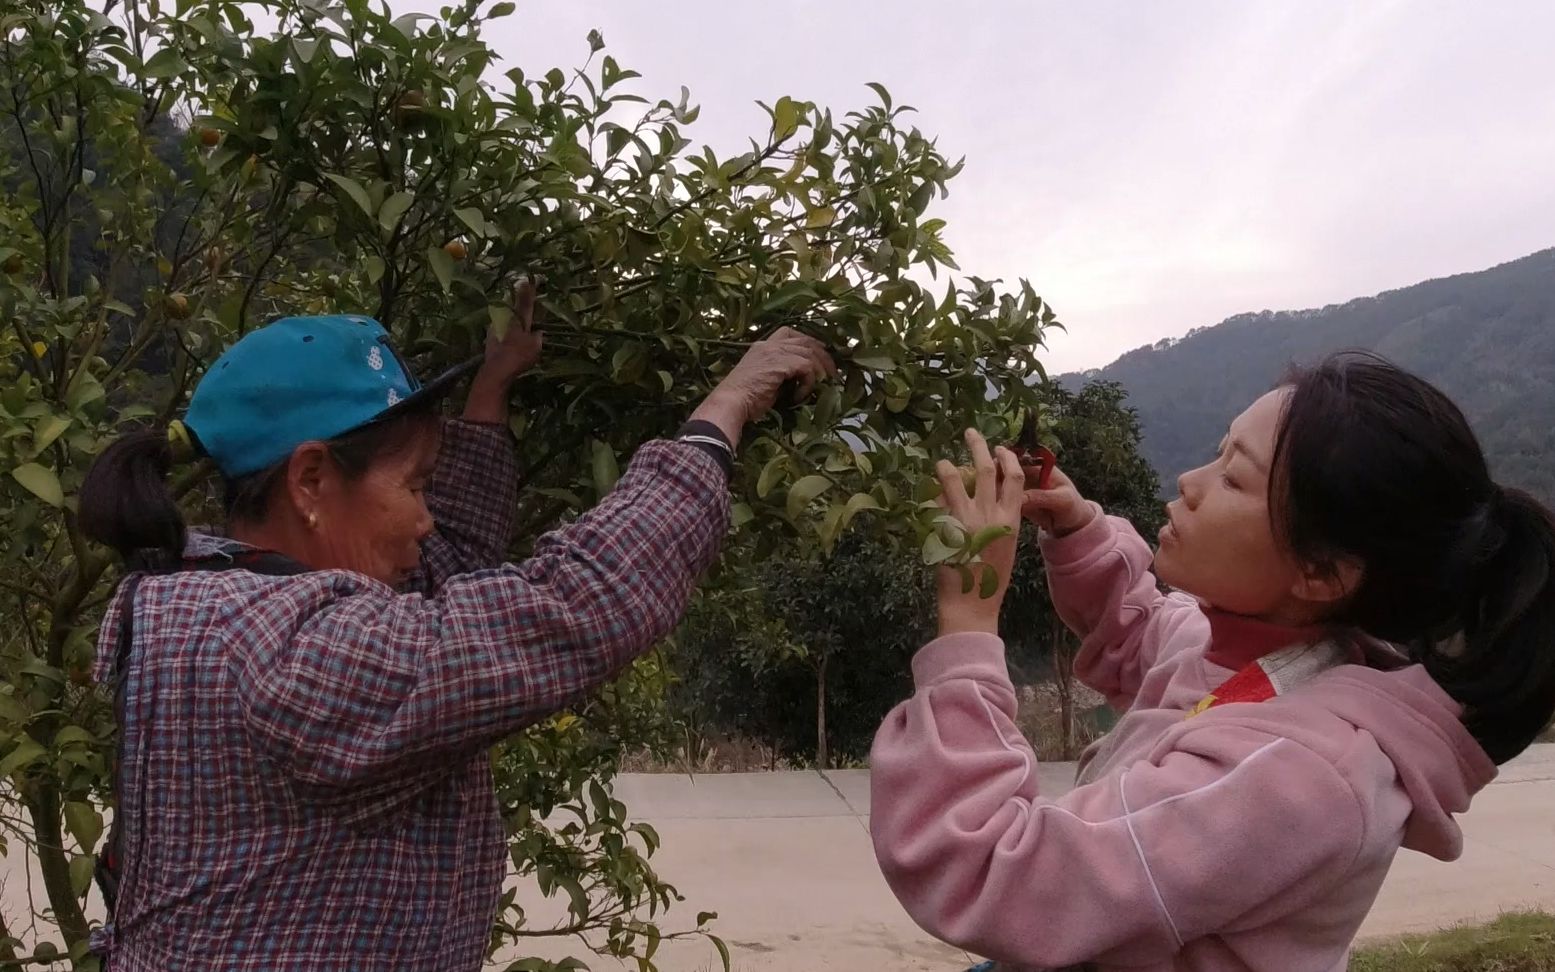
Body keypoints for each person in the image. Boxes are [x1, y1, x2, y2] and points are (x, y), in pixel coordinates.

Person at [77, 282, 834, 971]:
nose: (424, 517)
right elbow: (576, 606)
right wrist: (722, 412)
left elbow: (450, 574)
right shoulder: (291, 655)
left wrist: (492, 386)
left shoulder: (207, 589)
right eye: (414, 484)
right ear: (310, 480)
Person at [869, 352, 1555, 972]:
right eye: (1216, 453)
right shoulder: (1262, 653)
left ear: (1321, 573)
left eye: (1233, 478)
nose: (1189, 481)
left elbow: (1000, 876)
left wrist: (966, 624)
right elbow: (1143, 631)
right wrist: (1077, 530)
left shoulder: (1303, 778)